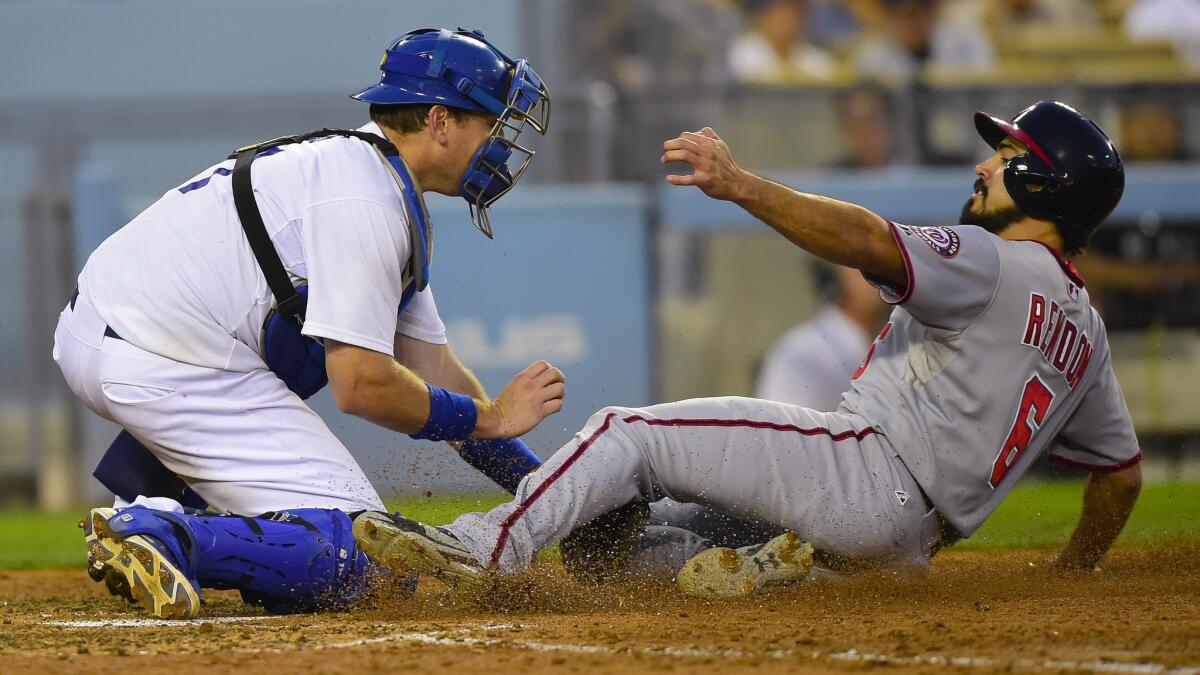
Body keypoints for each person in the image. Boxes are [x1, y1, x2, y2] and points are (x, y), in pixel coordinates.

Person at [353, 100, 1143, 599]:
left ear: (1043, 185)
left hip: (864, 469)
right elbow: (1120, 478)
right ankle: (773, 573)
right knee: (615, 540)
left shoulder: (994, 258)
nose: (984, 166)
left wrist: (743, 186)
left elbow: (870, 238)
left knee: (627, 435)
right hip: (909, 545)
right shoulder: (1086, 333)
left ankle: (484, 544)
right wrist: (1075, 570)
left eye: (1006, 161)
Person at [60, 28, 562, 618]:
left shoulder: (367, 176)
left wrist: (556, 500)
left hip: (131, 335)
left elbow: (435, 373)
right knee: (362, 560)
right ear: (440, 120)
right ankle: (163, 530)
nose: (501, 147)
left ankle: (166, 504)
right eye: (492, 124)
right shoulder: (364, 200)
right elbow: (363, 387)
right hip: (164, 352)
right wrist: (493, 415)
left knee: (379, 567)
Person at [756, 264, 890, 410]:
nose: (888, 277)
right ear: (841, 271)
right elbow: (780, 429)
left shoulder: (896, 341)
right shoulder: (801, 352)